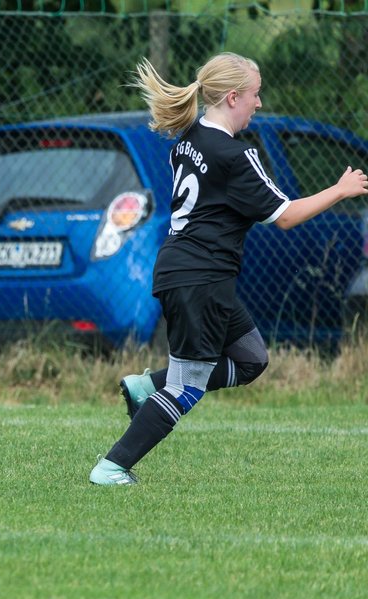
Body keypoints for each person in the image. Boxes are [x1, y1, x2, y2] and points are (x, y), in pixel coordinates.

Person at [89, 53, 368, 485]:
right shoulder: (237, 156)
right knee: (186, 388)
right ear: (234, 97)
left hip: (187, 272)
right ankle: (112, 466)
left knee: (252, 358)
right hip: (201, 278)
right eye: (255, 95)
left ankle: (147, 387)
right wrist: (340, 189)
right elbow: (285, 215)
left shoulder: (188, 139)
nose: (259, 104)